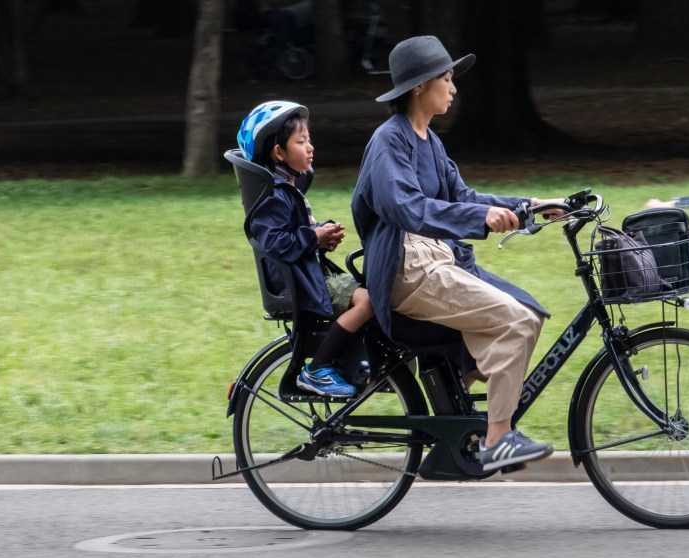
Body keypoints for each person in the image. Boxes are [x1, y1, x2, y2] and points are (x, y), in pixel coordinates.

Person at [350, 36, 564, 471]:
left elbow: (463, 197)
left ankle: (455, 432)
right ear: (419, 87)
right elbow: (407, 209)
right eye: (445, 79)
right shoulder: (388, 142)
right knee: (514, 322)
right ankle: (497, 439)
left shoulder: (429, 141)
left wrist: (529, 205)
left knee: (528, 313)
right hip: (406, 267)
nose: (453, 87)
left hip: (435, 260)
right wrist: (481, 217)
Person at [238, 101, 375, 398]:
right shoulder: (274, 196)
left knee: (377, 290)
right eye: (301, 142)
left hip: (311, 275)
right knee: (367, 302)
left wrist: (322, 235)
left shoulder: (287, 191)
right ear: (279, 153)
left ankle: (351, 361)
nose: (310, 147)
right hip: (301, 283)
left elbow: (295, 234)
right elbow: (277, 242)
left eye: (309, 139)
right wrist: (314, 237)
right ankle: (318, 369)